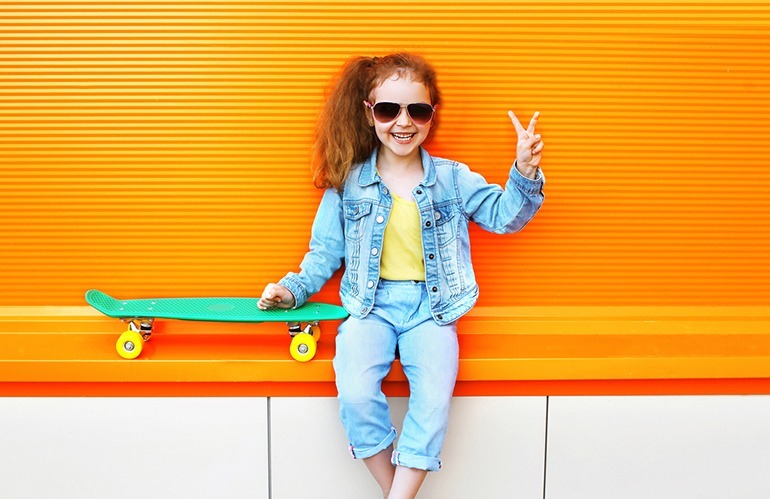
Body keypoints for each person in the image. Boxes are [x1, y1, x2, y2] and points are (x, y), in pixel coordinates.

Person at [258, 53, 545, 498]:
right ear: (369, 113)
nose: (403, 122)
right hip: (370, 308)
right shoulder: (348, 183)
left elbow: (504, 216)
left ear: (432, 115)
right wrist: (291, 291)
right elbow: (324, 254)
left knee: (432, 402)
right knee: (355, 394)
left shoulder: (453, 179)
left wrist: (525, 172)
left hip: (433, 310)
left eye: (418, 110)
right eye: (389, 109)